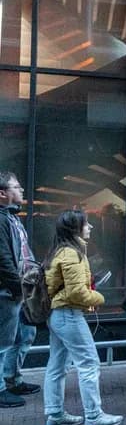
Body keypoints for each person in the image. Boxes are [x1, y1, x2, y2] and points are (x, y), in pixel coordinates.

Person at [43, 210, 123, 425]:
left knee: (56, 365)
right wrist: (99, 297)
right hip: (68, 314)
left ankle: (55, 414)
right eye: (86, 224)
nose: (90, 228)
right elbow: (77, 292)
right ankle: (94, 416)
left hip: (57, 314)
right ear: (75, 229)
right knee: (89, 364)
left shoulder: (59, 250)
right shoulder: (72, 253)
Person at [0, 172, 39, 409]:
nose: (21, 190)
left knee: (24, 335)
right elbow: (3, 258)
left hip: (20, 289)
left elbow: (23, 253)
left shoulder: (12, 218)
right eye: (16, 187)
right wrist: (18, 287)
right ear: (2, 193)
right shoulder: (2, 219)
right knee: (4, 341)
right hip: (10, 290)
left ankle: (12, 379)